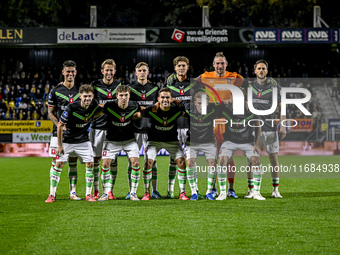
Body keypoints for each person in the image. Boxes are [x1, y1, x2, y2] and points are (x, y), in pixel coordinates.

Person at [45, 84, 103, 202]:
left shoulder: (94, 105)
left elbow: (100, 111)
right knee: (59, 164)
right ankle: (52, 194)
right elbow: (60, 125)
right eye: (85, 96)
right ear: (80, 96)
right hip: (67, 140)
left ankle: (88, 195)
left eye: (89, 96)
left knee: (90, 164)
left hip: (83, 140)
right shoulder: (71, 107)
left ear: (93, 97)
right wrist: (60, 145)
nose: (87, 99)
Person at [198, 52, 244, 198]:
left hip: (227, 122)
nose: (219, 66)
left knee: (229, 157)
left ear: (226, 64)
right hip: (210, 123)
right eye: (217, 63)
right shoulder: (204, 77)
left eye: (222, 63)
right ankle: (213, 188)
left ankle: (231, 189)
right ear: (213, 64)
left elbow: (245, 88)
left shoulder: (235, 77)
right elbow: (190, 85)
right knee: (214, 157)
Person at [246, 60, 286, 198]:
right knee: (252, 160)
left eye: (263, 68)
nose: (261, 70)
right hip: (254, 128)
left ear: (266, 71)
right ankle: (251, 189)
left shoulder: (274, 87)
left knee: (273, 159)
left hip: (270, 128)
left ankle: (275, 190)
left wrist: (284, 124)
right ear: (255, 71)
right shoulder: (249, 88)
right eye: (259, 68)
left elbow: (282, 106)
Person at [143, 87, 189, 200]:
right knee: (148, 163)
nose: (165, 100)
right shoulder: (152, 110)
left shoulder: (176, 110)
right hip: (154, 141)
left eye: (167, 97)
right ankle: (147, 192)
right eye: (162, 97)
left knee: (182, 162)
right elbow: (142, 112)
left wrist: (177, 101)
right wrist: (153, 106)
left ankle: (182, 192)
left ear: (171, 98)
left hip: (172, 141)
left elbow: (186, 108)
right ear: (158, 99)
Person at [98, 85, 143, 201]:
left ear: (129, 96)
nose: (124, 97)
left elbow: (141, 111)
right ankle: (105, 193)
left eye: (126, 95)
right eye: (121, 95)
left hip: (129, 140)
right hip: (112, 140)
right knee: (105, 165)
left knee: (136, 164)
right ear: (116, 96)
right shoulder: (109, 106)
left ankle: (133, 193)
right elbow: (96, 109)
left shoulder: (134, 105)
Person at [216, 101, 265, 200]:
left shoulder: (249, 109)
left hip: (247, 141)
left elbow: (258, 125)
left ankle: (256, 192)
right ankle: (222, 193)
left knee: (256, 160)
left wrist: (256, 144)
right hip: (230, 141)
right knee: (222, 161)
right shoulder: (226, 108)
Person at [47, 60, 81, 200]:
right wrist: (60, 124)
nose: (70, 74)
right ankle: (52, 193)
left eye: (72, 71)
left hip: (75, 133)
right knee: (57, 162)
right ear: (63, 72)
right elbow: (50, 113)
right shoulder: (55, 91)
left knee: (73, 161)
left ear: (75, 73)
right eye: (68, 71)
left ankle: (72, 192)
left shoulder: (80, 92)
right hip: (58, 133)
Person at [89, 59, 122, 200]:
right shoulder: (95, 85)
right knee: (96, 159)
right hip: (97, 127)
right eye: (106, 70)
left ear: (115, 71)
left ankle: (109, 190)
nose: (109, 72)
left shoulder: (119, 85)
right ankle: (96, 189)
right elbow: (89, 103)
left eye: (111, 70)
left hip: (114, 128)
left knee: (113, 160)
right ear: (102, 71)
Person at [129, 62, 162, 200]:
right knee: (133, 162)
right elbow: (129, 108)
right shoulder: (130, 89)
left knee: (152, 161)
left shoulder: (154, 88)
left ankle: (153, 190)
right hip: (134, 130)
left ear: (148, 72)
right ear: (135, 72)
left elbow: (157, 107)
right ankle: (131, 191)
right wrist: (146, 109)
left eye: (144, 70)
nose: (142, 72)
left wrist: (141, 108)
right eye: (139, 70)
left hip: (150, 130)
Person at [165, 56, 195, 198]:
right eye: (179, 66)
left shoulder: (194, 85)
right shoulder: (169, 86)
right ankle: (170, 190)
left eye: (184, 65)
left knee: (190, 160)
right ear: (175, 68)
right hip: (174, 127)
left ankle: (191, 190)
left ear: (187, 67)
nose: (181, 68)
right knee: (174, 159)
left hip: (190, 127)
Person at [183, 90, 221, 200]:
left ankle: (209, 192)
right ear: (194, 102)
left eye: (204, 103)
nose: (201, 106)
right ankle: (194, 192)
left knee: (213, 163)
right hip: (192, 142)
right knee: (190, 163)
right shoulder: (188, 108)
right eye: (199, 103)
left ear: (208, 103)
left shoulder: (213, 109)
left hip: (209, 141)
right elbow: (177, 102)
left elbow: (227, 105)